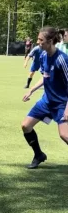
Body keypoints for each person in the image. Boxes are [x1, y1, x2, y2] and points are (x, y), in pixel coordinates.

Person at [21, 26, 68, 169]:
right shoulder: (42, 56)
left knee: (65, 135)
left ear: (50, 41)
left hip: (61, 104)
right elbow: (45, 77)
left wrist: (67, 109)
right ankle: (39, 155)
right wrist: (32, 90)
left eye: (40, 40)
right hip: (46, 101)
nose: (38, 42)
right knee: (26, 126)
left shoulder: (62, 60)